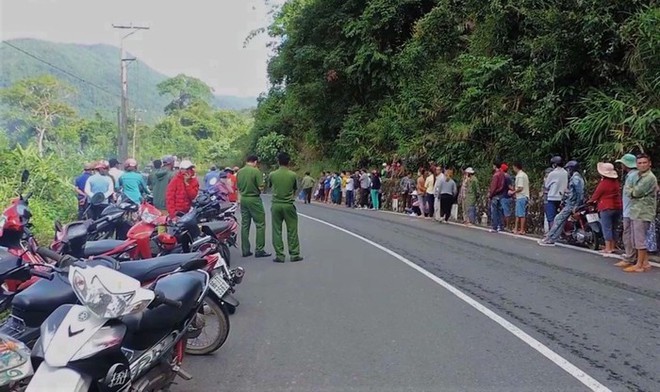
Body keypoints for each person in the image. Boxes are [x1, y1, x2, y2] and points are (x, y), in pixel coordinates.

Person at [623, 154, 657, 272]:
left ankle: (639, 264)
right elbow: (629, 190)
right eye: (640, 163)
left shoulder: (649, 178)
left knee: (640, 239)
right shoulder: (638, 175)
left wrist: (630, 188)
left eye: (644, 162)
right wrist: (630, 189)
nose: (642, 165)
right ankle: (645, 262)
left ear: (649, 163)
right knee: (637, 238)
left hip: (643, 211)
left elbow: (635, 192)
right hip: (636, 210)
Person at [539, 160, 585, 246]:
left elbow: (579, 193)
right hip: (572, 202)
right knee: (561, 220)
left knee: (558, 219)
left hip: (572, 203)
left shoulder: (575, 178)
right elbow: (575, 192)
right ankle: (552, 238)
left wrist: (576, 205)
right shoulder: (579, 177)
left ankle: (549, 238)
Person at [268, 152, 302, 263]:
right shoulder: (292, 175)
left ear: (278, 161)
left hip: (276, 205)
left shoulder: (272, 174)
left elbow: (270, 186)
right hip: (288, 205)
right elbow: (294, 189)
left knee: (276, 230)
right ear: (289, 162)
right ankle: (294, 254)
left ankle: (280, 255)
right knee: (292, 230)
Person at [237, 155, 271, 258]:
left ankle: (245, 250)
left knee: (245, 224)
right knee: (260, 224)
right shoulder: (256, 171)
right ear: (255, 162)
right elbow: (261, 187)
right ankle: (259, 249)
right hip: (254, 199)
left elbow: (238, 187)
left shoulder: (240, 172)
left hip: (243, 199)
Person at [585, 162, 622, 254]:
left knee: (607, 227)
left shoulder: (604, 183)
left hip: (606, 206)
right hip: (618, 206)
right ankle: (613, 246)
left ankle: (607, 247)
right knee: (614, 227)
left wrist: (590, 201)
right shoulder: (616, 182)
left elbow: (596, 195)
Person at [614, 153, 639, 267]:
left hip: (630, 210)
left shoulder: (632, 176)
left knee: (628, 234)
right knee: (632, 234)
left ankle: (630, 257)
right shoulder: (635, 175)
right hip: (632, 209)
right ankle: (633, 256)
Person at [544, 156, 568, 229]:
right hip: (562, 197)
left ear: (554, 164)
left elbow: (546, 185)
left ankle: (551, 234)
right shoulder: (565, 172)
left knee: (551, 218)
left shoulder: (552, 173)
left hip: (552, 197)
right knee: (561, 217)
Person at [488, 162, 506, 232]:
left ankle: (494, 226)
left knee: (494, 211)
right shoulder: (502, 174)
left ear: (495, 166)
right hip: (501, 195)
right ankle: (501, 226)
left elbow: (493, 187)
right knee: (500, 211)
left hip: (495, 195)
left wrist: (491, 195)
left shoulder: (496, 175)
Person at [512, 162, 530, 235]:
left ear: (516, 167)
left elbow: (520, 188)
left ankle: (521, 229)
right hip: (522, 196)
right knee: (518, 213)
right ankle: (516, 228)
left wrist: (513, 192)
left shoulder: (520, 176)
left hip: (521, 196)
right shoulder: (524, 175)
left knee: (521, 214)